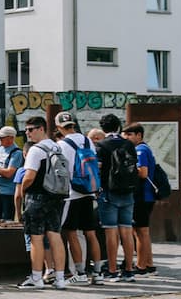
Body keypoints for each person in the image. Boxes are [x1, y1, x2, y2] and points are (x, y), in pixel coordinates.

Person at [16, 116, 70, 290]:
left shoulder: (36, 150)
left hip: (37, 196)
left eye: (30, 129)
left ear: (41, 129)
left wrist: (23, 191)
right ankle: (60, 278)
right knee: (55, 236)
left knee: (36, 239)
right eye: (26, 130)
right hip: (57, 196)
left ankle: (37, 277)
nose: (27, 133)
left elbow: (29, 176)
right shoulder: (57, 146)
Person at [54, 112, 103, 285]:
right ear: (74, 124)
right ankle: (97, 272)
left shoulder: (61, 144)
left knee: (71, 232)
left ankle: (80, 273)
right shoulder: (88, 140)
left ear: (59, 127)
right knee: (91, 233)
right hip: (88, 191)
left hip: (71, 193)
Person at [95, 116, 144, 282]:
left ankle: (112, 269)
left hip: (109, 192)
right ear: (118, 127)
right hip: (128, 192)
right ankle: (129, 269)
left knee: (110, 231)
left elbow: (99, 169)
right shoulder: (128, 144)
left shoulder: (101, 145)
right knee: (127, 230)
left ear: (103, 129)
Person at [128, 123, 160, 276]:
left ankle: (141, 267)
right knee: (143, 232)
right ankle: (149, 264)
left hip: (143, 196)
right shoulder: (145, 148)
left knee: (140, 232)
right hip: (147, 196)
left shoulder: (140, 150)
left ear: (139, 135)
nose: (127, 137)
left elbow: (143, 173)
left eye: (130, 134)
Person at [0, 126, 23, 224]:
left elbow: (9, 173)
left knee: (6, 222)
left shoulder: (16, 153)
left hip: (7, 192)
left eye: (2, 137)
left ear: (11, 138)